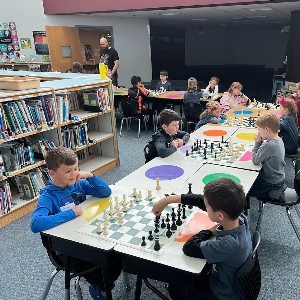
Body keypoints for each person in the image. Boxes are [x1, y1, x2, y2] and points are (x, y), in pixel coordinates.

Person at [30, 147, 122, 300]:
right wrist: (71, 213)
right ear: (52, 173)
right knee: (103, 263)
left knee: (117, 253)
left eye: (76, 168)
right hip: (66, 251)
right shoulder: (48, 196)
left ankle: (104, 285)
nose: (74, 174)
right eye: (67, 171)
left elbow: (105, 192)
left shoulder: (78, 184)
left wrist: (90, 176)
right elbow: (35, 223)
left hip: (86, 236)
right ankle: (101, 288)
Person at [152, 178, 252, 300]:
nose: (205, 207)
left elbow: (189, 247)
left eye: (207, 207)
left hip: (221, 294)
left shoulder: (228, 245)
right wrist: (168, 200)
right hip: (231, 282)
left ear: (220, 215)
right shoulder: (239, 217)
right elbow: (201, 200)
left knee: (175, 287)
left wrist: (210, 231)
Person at [248, 113, 286, 200]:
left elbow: (255, 160)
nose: (259, 133)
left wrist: (257, 142)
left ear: (267, 129)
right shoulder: (279, 139)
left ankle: (246, 211)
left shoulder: (270, 145)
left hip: (270, 184)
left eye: (259, 131)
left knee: (244, 189)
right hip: (278, 179)